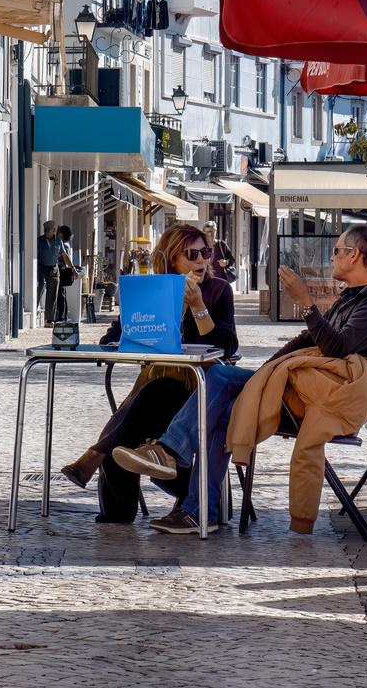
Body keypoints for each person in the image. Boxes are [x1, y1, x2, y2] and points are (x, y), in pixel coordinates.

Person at [113, 224, 367, 535]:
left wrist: (305, 302)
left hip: (333, 398)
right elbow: (307, 340)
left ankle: (170, 454)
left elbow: (337, 348)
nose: (332, 258)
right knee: (226, 406)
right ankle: (198, 510)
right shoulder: (353, 297)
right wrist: (264, 373)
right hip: (304, 388)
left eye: (336, 251)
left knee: (220, 377)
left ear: (355, 255)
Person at [58, 224, 236, 525]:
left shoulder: (218, 291)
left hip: (199, 393)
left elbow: (225, 345)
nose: (202, 261)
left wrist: (197, 307)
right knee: (125, 440)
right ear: (170, 260)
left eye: (206, 252)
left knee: (156, 391)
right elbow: (113, 337)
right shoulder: (152, 291)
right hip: (154, 393)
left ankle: (93, 456)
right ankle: (116, 512)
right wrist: (154, 319)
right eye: (193, 254)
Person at [37, 220, 63, 325]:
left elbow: (64, 255)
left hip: (54, 268)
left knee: (53, 293)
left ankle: (49, 319)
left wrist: (73, 269)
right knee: (40, 287)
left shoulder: (58, 241)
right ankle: (35, 308)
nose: (47, 232)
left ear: (53, 231)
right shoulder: (40, 240)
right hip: (41, 267)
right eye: (45, 230)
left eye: (49, 230)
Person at [56, 225, 78, 322]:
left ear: (61, 234)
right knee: (61, 293)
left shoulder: (63, 244)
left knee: (60, 293)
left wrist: (73, 269)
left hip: (60, 269)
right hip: (63, 269)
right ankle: (62, 315)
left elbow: (64, 257)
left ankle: (61, 315)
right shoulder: (67, 244)